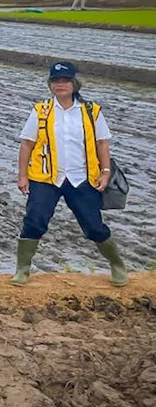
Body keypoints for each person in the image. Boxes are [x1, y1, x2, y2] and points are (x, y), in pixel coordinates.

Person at [11, 61, 127, 287]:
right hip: (46, 178)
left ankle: (117, 265)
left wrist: (105, 172)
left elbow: (102, 144)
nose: (60, 85)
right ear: (50, 85)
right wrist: (22, 175)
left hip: (81, 178)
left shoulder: (91, 111)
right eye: (56, 81)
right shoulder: (41, 111)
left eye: (65, 81)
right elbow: (27, 144)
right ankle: (22, 269)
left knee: (93, 225)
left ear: (74, 83)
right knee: (34, 221)